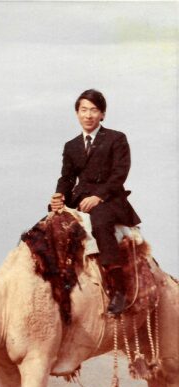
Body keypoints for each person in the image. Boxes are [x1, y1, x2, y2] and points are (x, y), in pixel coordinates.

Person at [50, 89, 141, 315]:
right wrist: (59, 197)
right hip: (80, 197)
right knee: (48, 221)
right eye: (83, 110)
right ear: (77, 113)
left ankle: (119, 289)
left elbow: (120, 173)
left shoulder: (116, 138)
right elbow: (67, 177)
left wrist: (98, 196)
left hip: (110, 198)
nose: (88, 115)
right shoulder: (71, 146)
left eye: (94, 110)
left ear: (102, 114)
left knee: (100, 222)